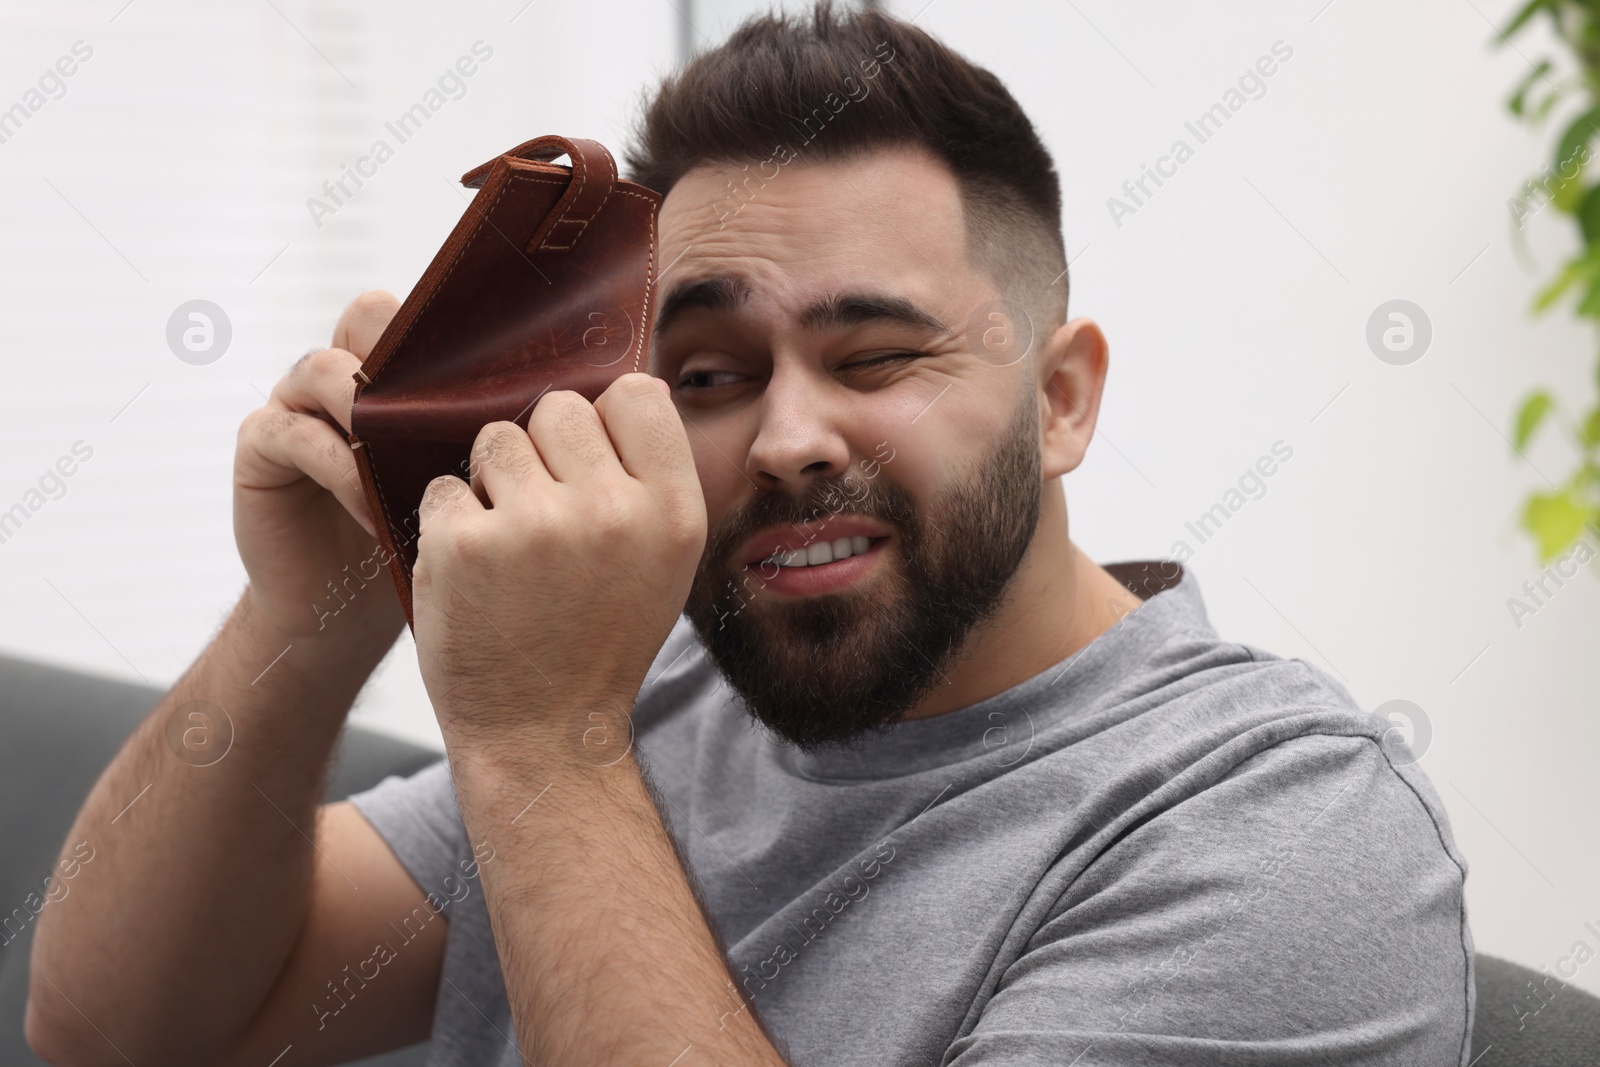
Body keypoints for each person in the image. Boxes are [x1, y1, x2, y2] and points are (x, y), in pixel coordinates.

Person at [25, 3, 1475, 1065]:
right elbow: (120, 1032)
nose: (786, 440)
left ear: (1058, 399)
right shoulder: (656, 699)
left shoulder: (1280, 834)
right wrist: (312, 619)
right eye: (707, 377)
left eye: (877, 358)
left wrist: (542, 742)